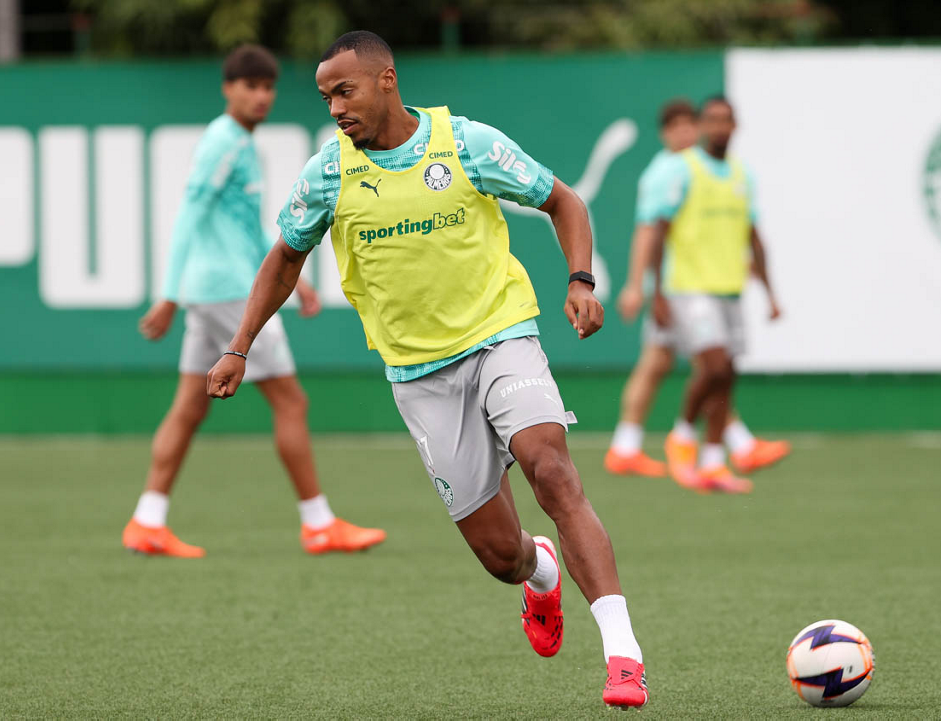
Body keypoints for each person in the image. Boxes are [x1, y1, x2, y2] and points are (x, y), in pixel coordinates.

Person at [205, 31, 649, 709]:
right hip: (419, 376)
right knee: (501, 557)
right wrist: (239, 345)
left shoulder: (465, 143)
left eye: (345, 91)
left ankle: (624, 655)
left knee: (551, 469)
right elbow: (285, 259)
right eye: (326, 98)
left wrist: (580, 279)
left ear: (386, 80)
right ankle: (540, 572)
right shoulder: (328, 173)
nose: (335, 108)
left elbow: (564, 200)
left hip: (501, 333)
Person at [124, 44, 386, 558]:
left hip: (212, 290)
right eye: (251, 86)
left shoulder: (237, 142)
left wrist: (296, 279)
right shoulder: (225, 142)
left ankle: (147, 521)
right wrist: (168, 294)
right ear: (228, 89)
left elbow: (242, 226)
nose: (261, 96)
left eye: (268, 87)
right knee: (290, 401)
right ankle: (318, 523)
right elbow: (190, 214)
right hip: (226, 294)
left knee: (189, 408)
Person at [640, 96, 791, 493]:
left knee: (727, 377)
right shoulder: (683, 170)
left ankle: (712, 463)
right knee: (715, 366)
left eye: (727, 120)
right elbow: (658, 231)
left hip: (729, 289)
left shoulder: (743, 175)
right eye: (713, 120)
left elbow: (754, 237)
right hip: (689, 288)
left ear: (735, 126)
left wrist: (770, 293)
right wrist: (656, 292)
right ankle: (681, 435)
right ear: (703, 126)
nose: (720, 127)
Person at [604, 99, 697, 477]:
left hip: (689, 282)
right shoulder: (665, 173)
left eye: (690, 124)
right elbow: (646, 231)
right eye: (676, 127)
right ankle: (732, 443)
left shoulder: (697, 167)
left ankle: (625, 446)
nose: (685, 132)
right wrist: (635, 286)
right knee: (711, 363)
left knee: (660, 360)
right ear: (664, 134)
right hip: (673, 286)